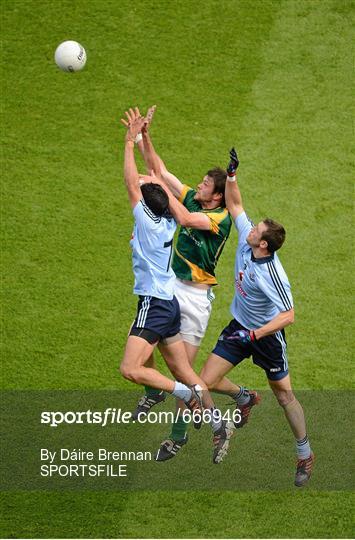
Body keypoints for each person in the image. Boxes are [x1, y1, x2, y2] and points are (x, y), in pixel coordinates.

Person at [131, 107, 249, 462]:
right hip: (171, 289)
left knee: (186, 373)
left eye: (204, 186)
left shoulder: (218, 219)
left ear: (215, 197)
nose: (197, 186)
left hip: (195, 302)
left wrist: (152, 187)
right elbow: (161, 171)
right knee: (146, 340)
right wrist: (145, 137)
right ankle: (155, 390)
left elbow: (180, 215)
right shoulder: (200, 198)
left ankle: (180, 437)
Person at [199, 148, 315, 486]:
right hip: (239, 327)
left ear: (264, 245)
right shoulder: (249, 242)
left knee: (284, 396)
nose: (249, 229)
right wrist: (232, 174)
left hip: (264, 338)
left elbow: (289, 316)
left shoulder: (273, 274)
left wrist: (256, 335)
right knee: (205, 382)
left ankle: (305, 454)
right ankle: (244, 397)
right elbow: (235, 204)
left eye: (255, 231)